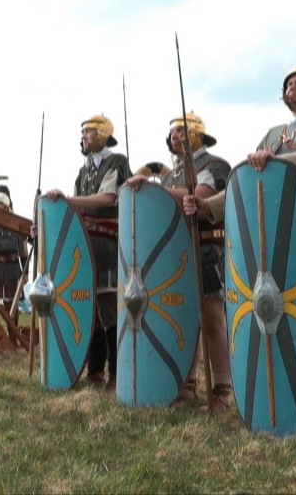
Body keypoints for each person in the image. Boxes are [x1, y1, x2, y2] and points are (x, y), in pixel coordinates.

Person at [183, 63, 296, 440]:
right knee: (282, 320)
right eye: (287, 84)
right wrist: (210, 207)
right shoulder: (273, 134)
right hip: (280, 242)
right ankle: (294, 402)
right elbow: (253, 180)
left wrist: (280, 161)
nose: (292, 89)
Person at [124, 113, 233, 409]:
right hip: (180, 254)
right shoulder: (172, 174)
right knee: (185, 321)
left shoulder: (213, 165)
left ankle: (222, 389)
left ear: (199, 134)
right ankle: (186, 383)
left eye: (181, 131)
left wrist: (153, 188)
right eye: (172, 132)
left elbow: (201, 195)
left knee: (211, 319)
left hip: (208, 248)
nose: (175, 136)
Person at [45, 114, 132, 392]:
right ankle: (93, 371)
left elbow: (107, 199)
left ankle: (116, 375)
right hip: (84, 246)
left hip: (107, 243)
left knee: (109, 309)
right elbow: (76, 211)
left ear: (103, 134)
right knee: (90, 310)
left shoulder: (116, 162)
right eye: (83, 132)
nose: (83, 136)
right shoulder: (82, 173)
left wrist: (69, 200)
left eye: (89, 132)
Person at [0, 186, 27, 320]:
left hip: (12, 268)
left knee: (12, 310)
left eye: (0, 202)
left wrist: (25, 272)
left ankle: (13, 339)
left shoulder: (16, 222)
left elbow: (23, 249)